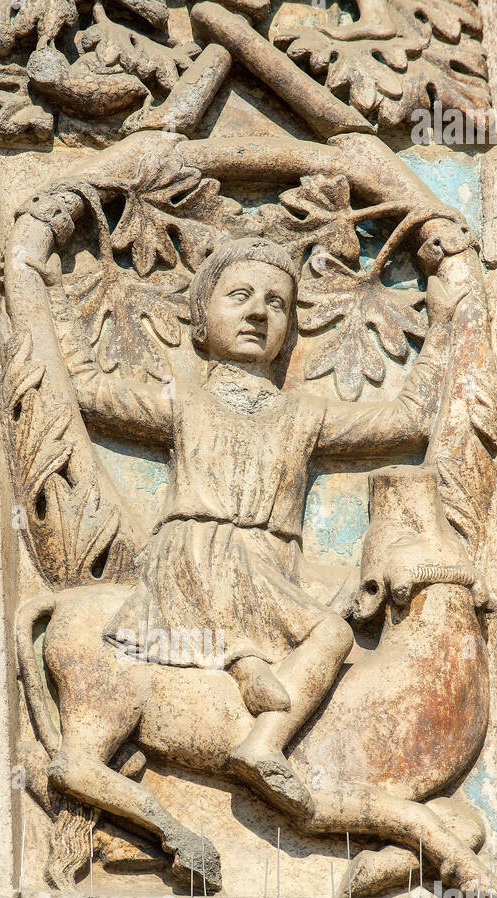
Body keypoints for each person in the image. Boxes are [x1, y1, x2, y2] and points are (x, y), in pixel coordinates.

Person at [60, 236, 460, 809]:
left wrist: (442, 328)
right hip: (195, 555)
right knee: (334, 633)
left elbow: (409, 421)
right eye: (239, 296)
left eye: (277, 304)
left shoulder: (304, 413)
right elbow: (88, 394)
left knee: (342, 602)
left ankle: (252, 683)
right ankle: (263, 735)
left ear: (290, 331)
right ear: (200, 324)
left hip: (269, 565)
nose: (257, 312)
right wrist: (36, 287)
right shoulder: (183, 404)